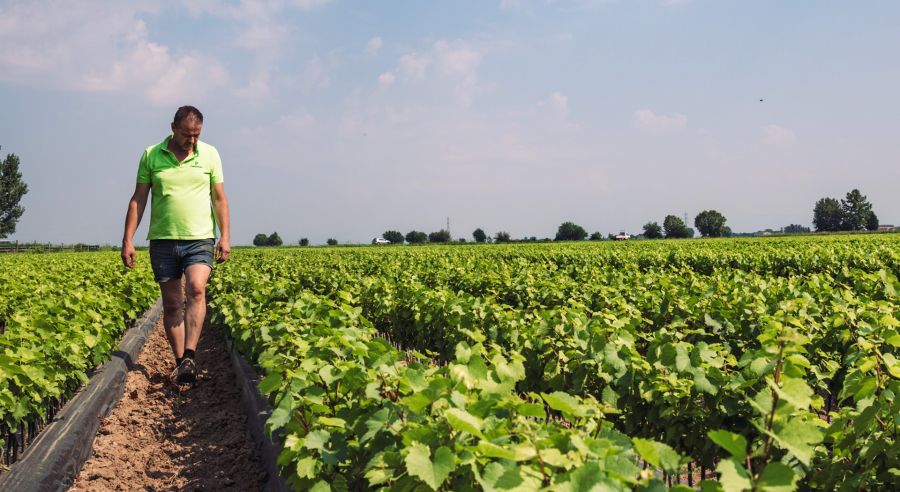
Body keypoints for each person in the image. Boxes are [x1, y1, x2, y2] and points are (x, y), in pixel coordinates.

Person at [121, 106, 231, 384]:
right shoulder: (151, 155)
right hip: (163, 240)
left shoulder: (210, 154)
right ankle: (182, 362)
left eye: (196, 135)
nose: (191, 140)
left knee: (196, 288)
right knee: (171, 305)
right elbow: (139, 199)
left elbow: (219, 199)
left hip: (200, 238)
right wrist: (128, 240)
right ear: (173, 128)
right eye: (186, 135)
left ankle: (191, 354)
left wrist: (225, 236)